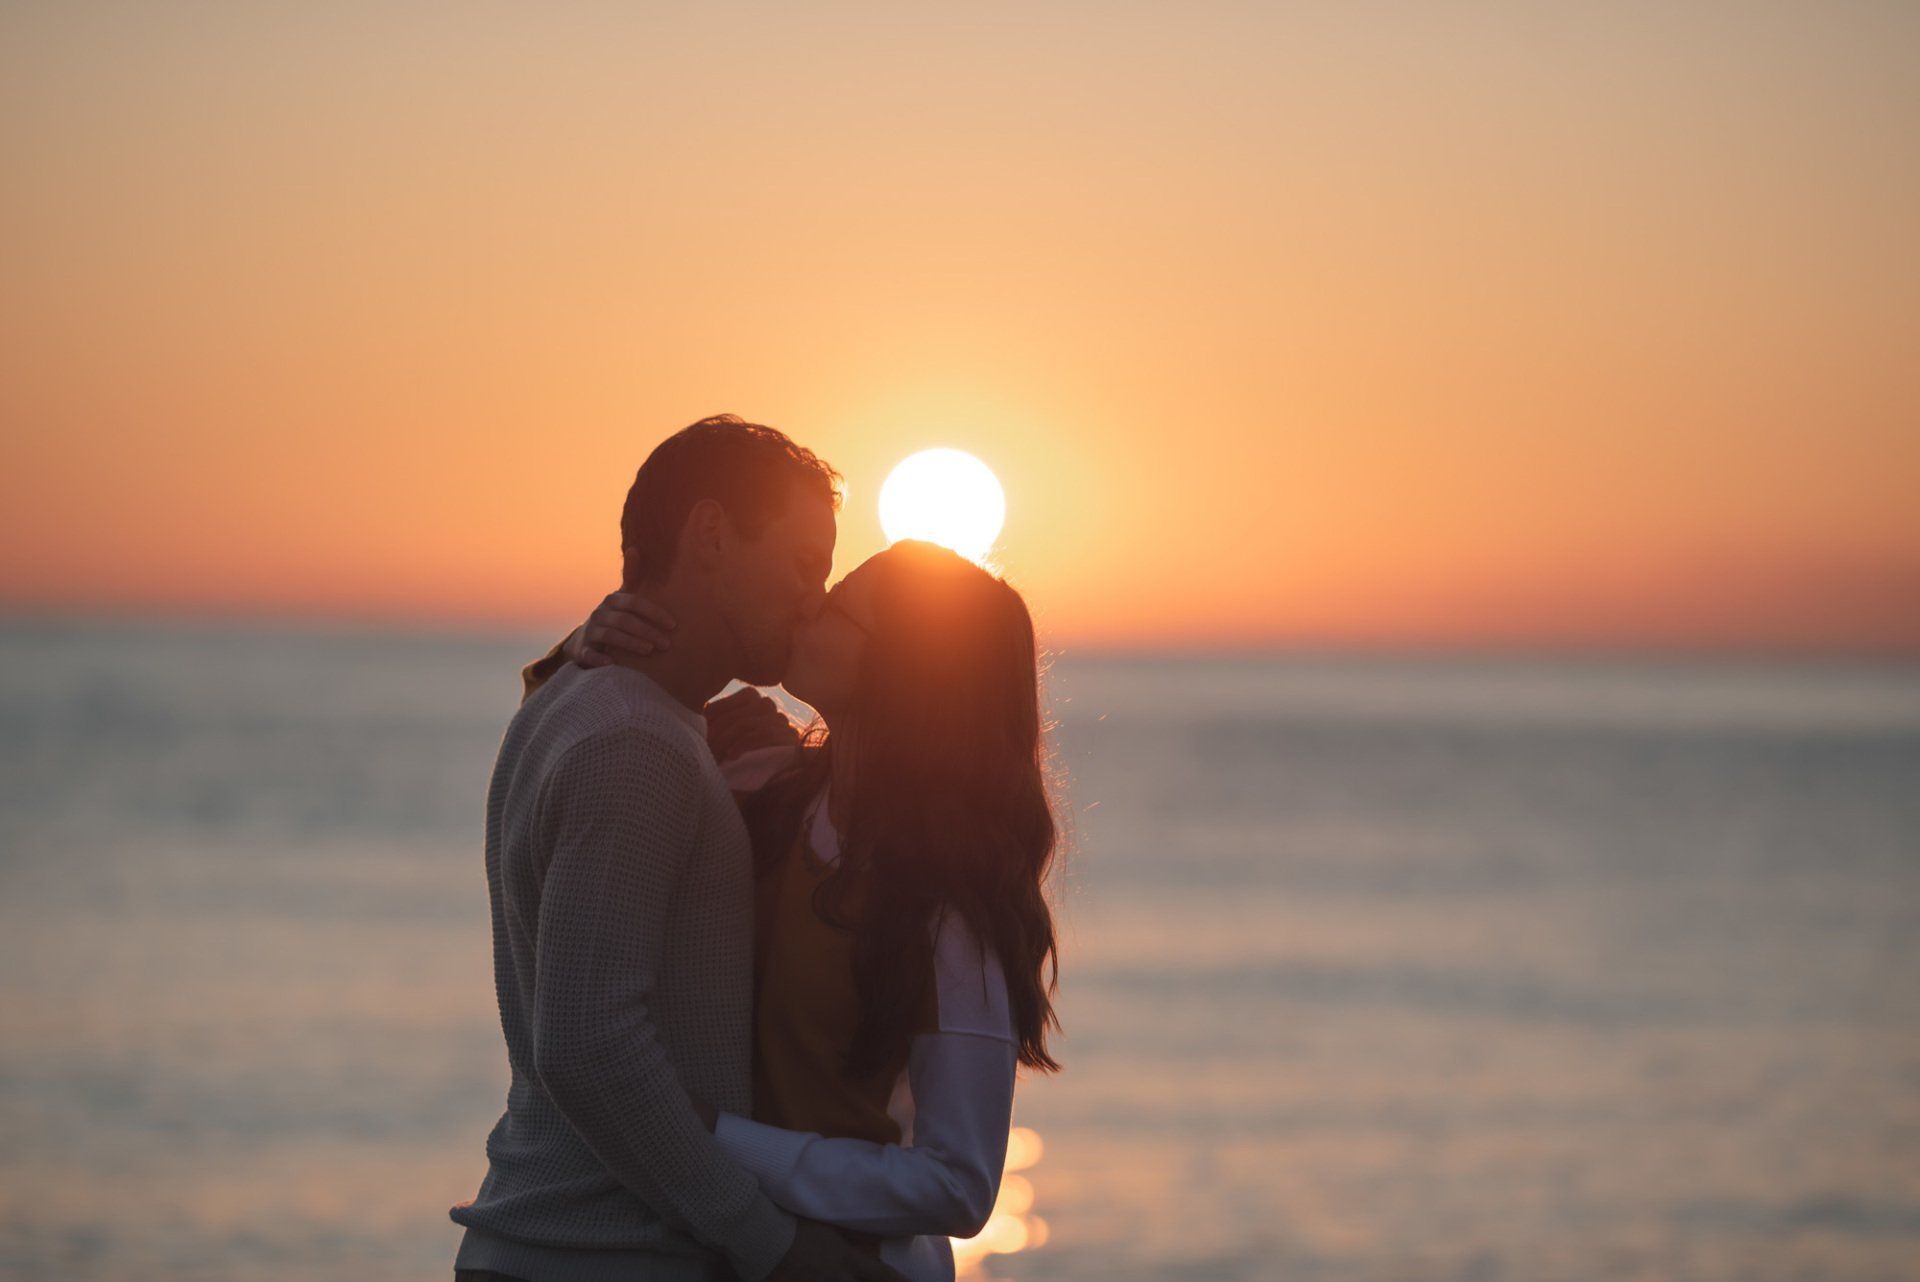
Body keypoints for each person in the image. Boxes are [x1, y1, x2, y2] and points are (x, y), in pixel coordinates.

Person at [450, 415, 905, 1282]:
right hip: (601, 1256)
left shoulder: (585, 704)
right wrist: (771, 1246)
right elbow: (587, 1042)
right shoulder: (636, 743)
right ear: (710, 533)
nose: (816, 597)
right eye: (805, 563)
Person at [533, 538, 1064, 1282]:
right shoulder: (767, 788)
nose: (809, 605)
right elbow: (572, 775)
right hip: (721, 1248)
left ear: (900, 666)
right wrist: (584, 649)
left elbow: (958, 1185)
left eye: (839, 605)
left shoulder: (949, 910)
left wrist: (721, 1140)